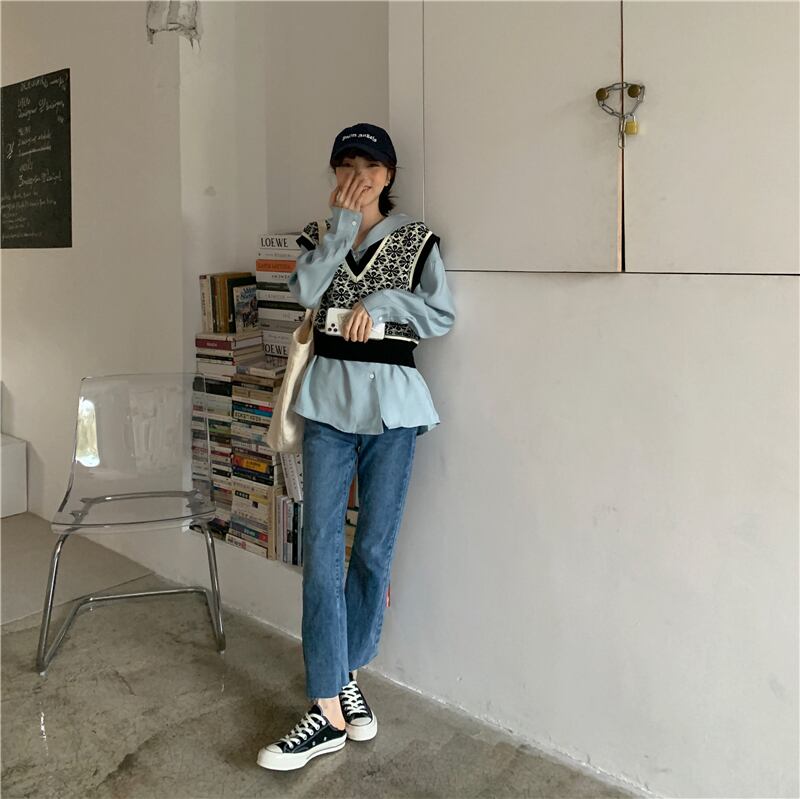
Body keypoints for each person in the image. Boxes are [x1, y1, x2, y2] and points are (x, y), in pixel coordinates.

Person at [257, 123, 455, 771]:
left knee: (373, 548)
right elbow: (304, 293)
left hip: (394, 408)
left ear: (389, 175)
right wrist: (340, 228)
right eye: (346, 164)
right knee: (320, 547)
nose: (357, 176)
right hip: (327, 405)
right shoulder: (322, 235)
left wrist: (386, 301)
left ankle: (344, 673)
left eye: (370, 165)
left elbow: (441, 315)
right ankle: (326, 705)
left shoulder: (417, 239)